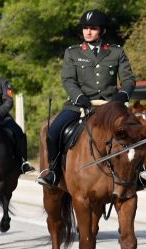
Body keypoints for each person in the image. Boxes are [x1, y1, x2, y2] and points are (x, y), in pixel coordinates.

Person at [37, 10, 137, 188]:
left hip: (111, 107)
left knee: (137, 131)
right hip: (79, 106)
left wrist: (122, 95)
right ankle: (54, 172)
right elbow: (68, 79)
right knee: (53, 133)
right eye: (85, 28)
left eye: (93, 28)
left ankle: (143, 173)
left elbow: (128, 79)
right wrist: (79, 97)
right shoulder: (72, 53)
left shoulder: (116, 52)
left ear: (102, 31)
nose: (88, 32)